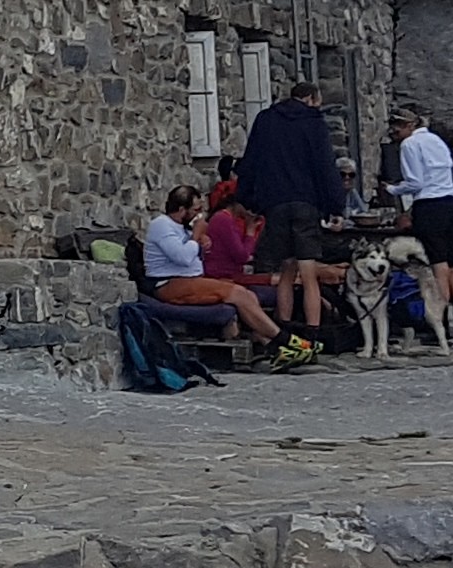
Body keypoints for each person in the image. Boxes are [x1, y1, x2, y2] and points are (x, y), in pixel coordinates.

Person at [144, 184, 306, 364]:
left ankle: (272, 347)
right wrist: (197, 236)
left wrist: (201, 242)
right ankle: (286, 340)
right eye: (196, 210)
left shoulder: (182, 228)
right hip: (170, 283)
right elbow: (182, 257)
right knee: (237, 293)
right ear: (182, 209)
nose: (200, 215)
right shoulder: (161, 226)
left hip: (191, 279)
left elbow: (193, 252)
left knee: (248, 295)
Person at [237, 78, 344, 333]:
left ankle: (285, 331)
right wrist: (336, 206)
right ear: (311, 99)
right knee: (308, 276)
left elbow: (251, 159)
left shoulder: (265, 120)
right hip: (306, 202)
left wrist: (247, 199)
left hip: (275, 202)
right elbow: (324, 166)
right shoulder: (313, 122)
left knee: (286, 270)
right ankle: (314, 333)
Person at [390, 105, 453, 306]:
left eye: (397, 125)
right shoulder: (436, 140)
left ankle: (439, 319)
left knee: (438, 265)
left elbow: (415, 182)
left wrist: (392, 190)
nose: (393, 130)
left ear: (410, 125)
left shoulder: (409, 145)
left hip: (430, 206)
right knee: (451, 265)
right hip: (452, 204)